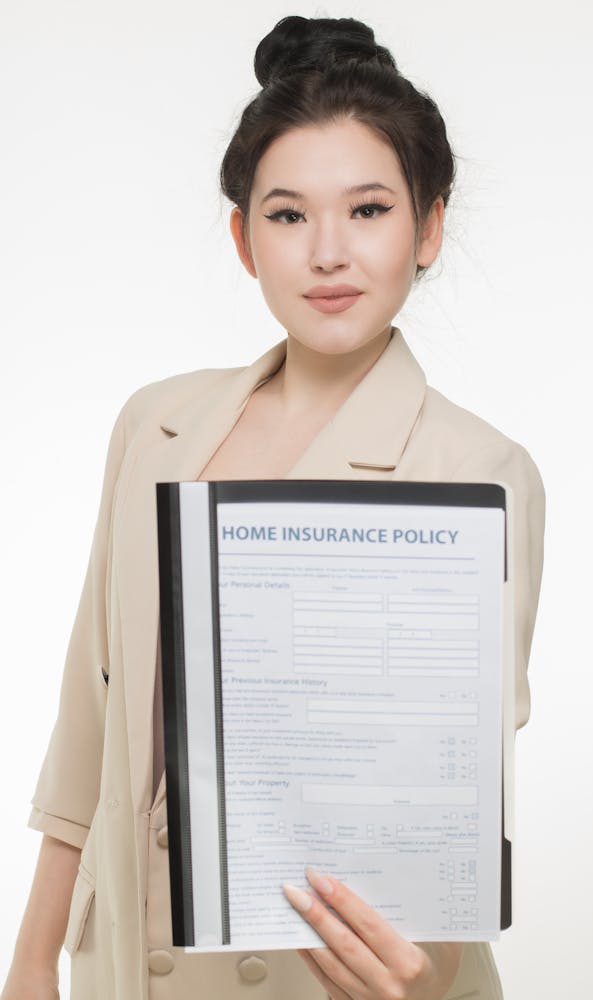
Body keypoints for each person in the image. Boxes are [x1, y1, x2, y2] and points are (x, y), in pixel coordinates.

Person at [1, 14, 545, 1000]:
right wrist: (33, 959)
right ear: (245, 239)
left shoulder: (479, 470)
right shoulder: (157, 423)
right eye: (288, 214)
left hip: (333, 980)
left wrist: (424, 983)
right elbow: (94, 708)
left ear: (428, 226)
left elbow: (454, 794)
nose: (327, 252)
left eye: (369, 210)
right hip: (131, 962)